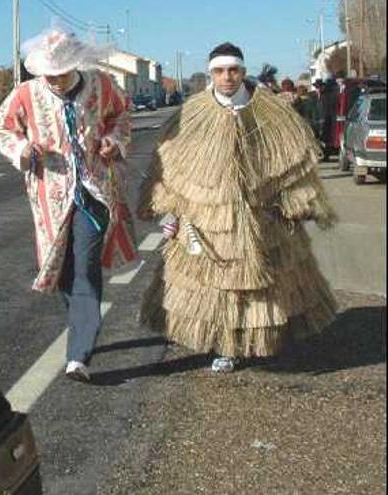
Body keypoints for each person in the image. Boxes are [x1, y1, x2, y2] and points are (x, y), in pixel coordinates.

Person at [138, 42, 337, 373]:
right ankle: (226, 347)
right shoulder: (190, 114)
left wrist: (300, 203)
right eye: (218, 71)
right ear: (211, 74)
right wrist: (171, 210)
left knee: (266, 287)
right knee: (219, 289)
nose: (226, 77)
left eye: (233, 70)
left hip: (264, 215)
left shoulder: (274, 113)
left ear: (243, 72)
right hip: (210, 220)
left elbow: (297, 161)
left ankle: (262, 338)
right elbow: (169, 166)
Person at [0, 27, 135, 383]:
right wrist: (24, 150)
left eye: (61, 72)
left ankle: (79, 354)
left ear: (75, 65)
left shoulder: (100, 85)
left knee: (85, 263)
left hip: (94, 190)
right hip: (49, 194)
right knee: (63, 266)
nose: (55, 80)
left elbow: (122, 114)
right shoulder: (25, 94)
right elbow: (3, 128)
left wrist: (112, 140)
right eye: (49, 73)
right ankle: (81, 324)